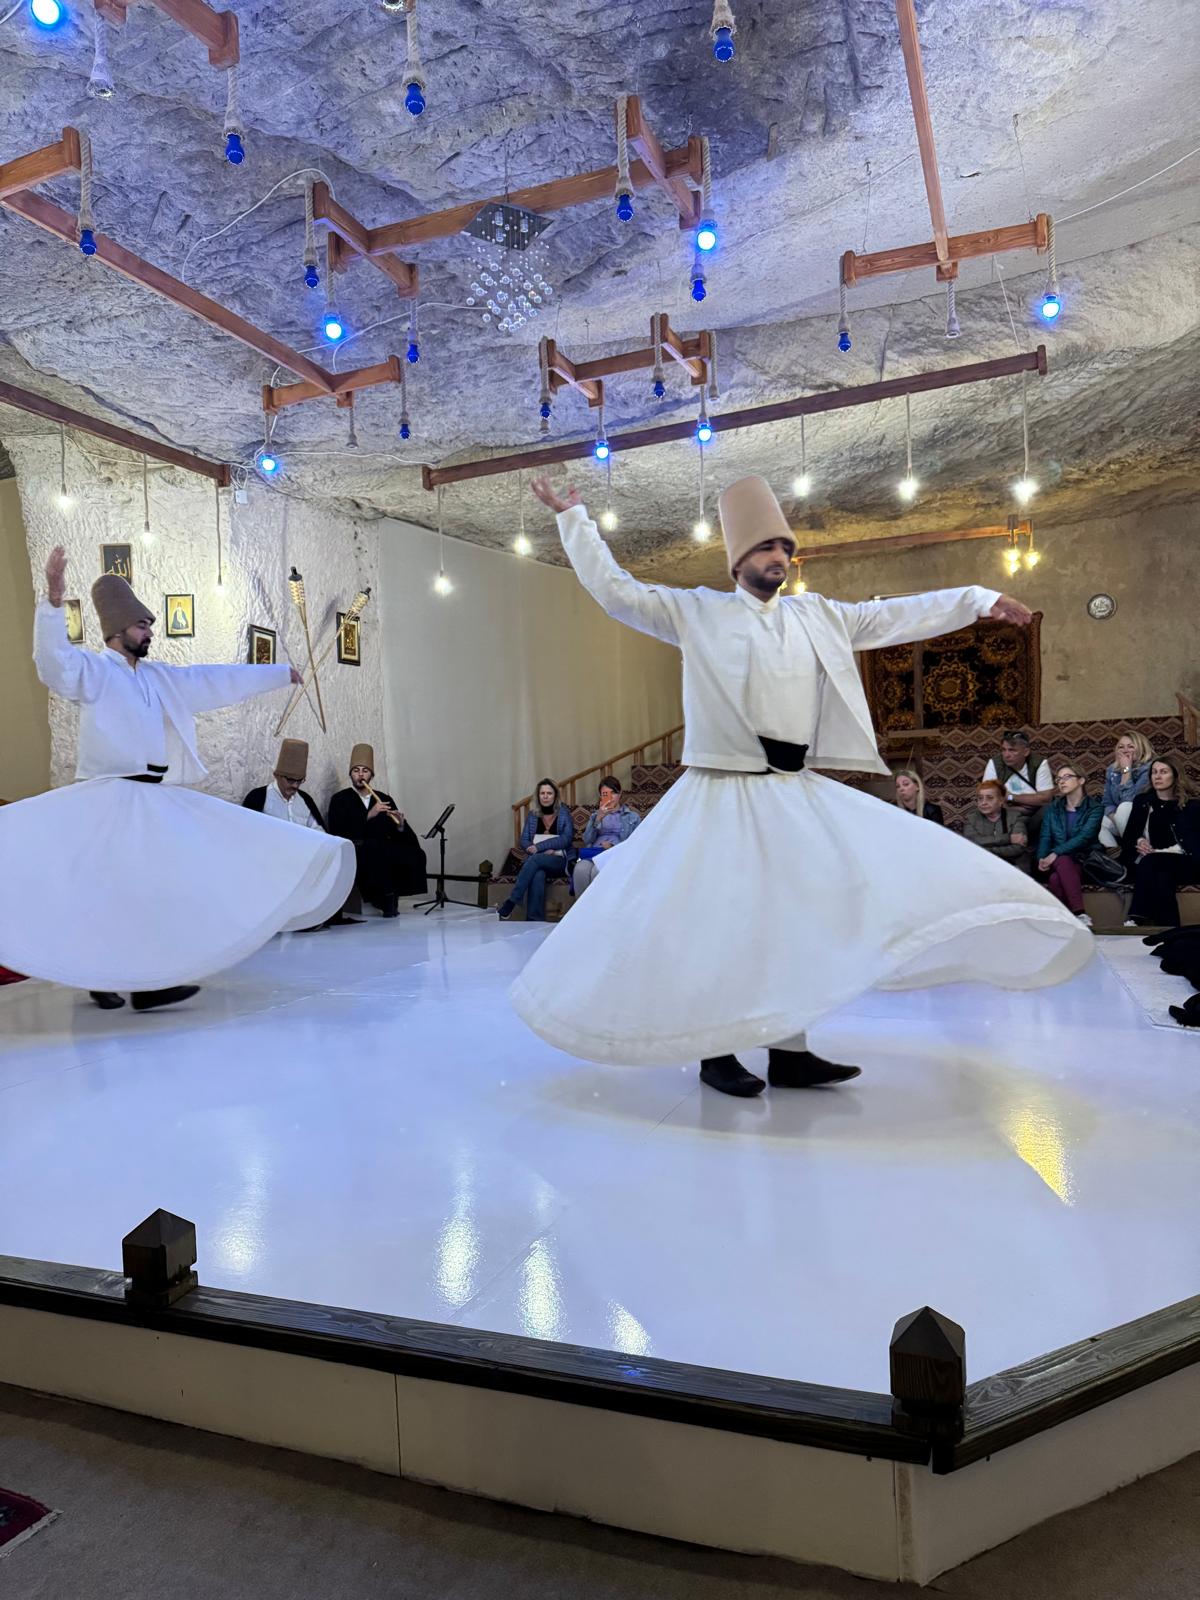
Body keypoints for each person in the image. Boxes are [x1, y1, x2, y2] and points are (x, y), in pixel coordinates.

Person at [511, 474, 1091, 1098]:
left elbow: (892, 615)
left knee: (791, 923)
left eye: (785, 548)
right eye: (767, 547)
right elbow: (616, 591)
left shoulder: (817, 617)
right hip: (720, 792)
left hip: (790, 790)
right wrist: (574, 520)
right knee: (722, 927)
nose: (780, 558)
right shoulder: (696, 611)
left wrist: (976, 599)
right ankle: (716, 1052)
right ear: (738, 559)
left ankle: (790, 1054)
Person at [0, 549, 354, 1010]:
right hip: (108, 797)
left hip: (149, 799)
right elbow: (52, 663)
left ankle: (149, 981)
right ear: (117, 629)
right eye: (141, 625)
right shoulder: (92, 672)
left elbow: (211, 681)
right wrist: (52, 601)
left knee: (154, 889)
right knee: (112, 891)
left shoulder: (158, 678)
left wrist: (275, 674)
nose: (150, 632)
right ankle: (110, 976)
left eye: (149, 624)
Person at [327, 744, 427, 917]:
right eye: (356, 770)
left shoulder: (384, 798)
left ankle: (394, 894)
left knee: (414, 853)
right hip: (358, 846)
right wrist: (369, 815)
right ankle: (385, 898)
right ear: (350, 774)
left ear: (371, 775)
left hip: (382, 846)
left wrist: (400, 825)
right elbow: (337, 828)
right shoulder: (340, 799)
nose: (360, 775)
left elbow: (397, 833)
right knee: (376, 851)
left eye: (365, 771)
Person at [1119, 758, 1200, 928]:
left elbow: (1193, 843)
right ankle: (1170, 928)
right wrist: (1139, 840)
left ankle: (1136, 916)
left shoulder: (1191, 805)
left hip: (1183, 860)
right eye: (1154, 772)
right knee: (1162, 877)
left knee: (1153, 862)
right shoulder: (1142, 801)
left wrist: (1159, 853)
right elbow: (1129, 836)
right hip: (1150, 862)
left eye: (1163, 772)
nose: (1157, 776)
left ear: (1175, 776)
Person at [1035, 766, 1105, 926]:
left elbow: (1084, 838)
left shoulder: (1095, 808)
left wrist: (1055, 853)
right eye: (1059, 779)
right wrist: (1041, 858)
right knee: (1062, 860)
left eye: (1067, 777)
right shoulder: (1053, 808)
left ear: (1081, 780)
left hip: (1084, 860)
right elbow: (1045, 837)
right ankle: (1080, 915)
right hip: (1057, 862)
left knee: (1055, 879)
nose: (1061, 781)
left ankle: (1061, 920)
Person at [498, 779, 575, 921]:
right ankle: (534, 920)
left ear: (555, 796)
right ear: (538, 796)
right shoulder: (533, 815)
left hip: (559, 860)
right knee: (538, 874)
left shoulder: (564, 813)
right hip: (538, 860)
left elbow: (566, 839)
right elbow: (524, 840)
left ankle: (513, 900)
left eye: (549, 793)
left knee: (535, 859)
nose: (545, 796)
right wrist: (540, 851)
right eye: (542, 793)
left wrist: (539, 848)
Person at [573, 776, 641, 894]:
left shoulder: (632, 817)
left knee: (597, 871)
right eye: (605, 794)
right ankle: (582, 906)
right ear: (601, 796)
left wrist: (613, 847)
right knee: (580, 870)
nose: (610, 797)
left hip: (616, 854)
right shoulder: (595, 816)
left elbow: (637, 843)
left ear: (620, 794)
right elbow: (587, 839)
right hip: (594, 853)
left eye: (613, 793)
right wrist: (598, 819)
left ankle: (599, 905)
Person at [982, 731, 1055, 832]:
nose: (1006, 755)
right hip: (1005, 814)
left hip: (1034, 817)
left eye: (1012, 750)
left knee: (1049, 809)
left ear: (1026, 752)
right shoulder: (995, 763)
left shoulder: (1039, 764)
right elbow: (987, 797)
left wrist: (1010, 797)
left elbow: (1045, 799)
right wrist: (1022, 807)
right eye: (1003, 750)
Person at [242, 739, 325, 829]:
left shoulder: (306, 800)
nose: (295, 785)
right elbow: (246, 829)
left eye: (299, 780)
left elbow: (318, 831)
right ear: (277, 775)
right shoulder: (258, 798)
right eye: (290, 780)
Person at [1098, 731, 1154, 849]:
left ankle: (1136, 850)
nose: (1125, 750)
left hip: (1146, 818)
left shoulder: (1149, 768)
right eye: (1121, 747)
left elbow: (1130, 800)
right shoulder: (1112, 770)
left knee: (1124, 808)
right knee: (1098, 821)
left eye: (1131, 746)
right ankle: (1113, 855)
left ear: (1141, 749)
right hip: (1121, 819)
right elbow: (1107, 802)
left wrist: (1126, 771)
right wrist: (1115, 817)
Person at [963, 779, 1031, 873]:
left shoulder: (1015, 816)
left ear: (1001, 800)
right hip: (981, 865)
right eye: (980, 798)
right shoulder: (971, 818)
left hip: (1012, 865)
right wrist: (1008, 838)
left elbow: (1018, 848)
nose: (983, 802)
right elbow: (971, 843)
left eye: (990, 798)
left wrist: (985, 850)